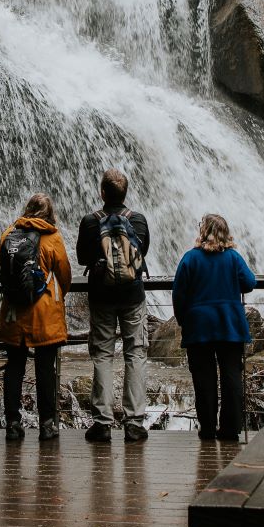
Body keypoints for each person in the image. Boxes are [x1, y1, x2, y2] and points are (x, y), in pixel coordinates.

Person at [76, 169, 152, 443]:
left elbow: (83, 256)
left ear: (102, 193)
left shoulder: (89, 221)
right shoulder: (139, 220)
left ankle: (103, 422)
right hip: (132, 296)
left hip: (101, 296)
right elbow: (142, 253)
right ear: (125, 193)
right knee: (135, 354)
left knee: (103, 355)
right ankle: (134, 422)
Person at [172, 214, 258, 442]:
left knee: (204, 380)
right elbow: (249, 283)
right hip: (229, 324)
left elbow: (178, 294)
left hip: (199, 326)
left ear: (204, 232)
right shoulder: (232, 257)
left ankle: (208, 429)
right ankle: (230, 429)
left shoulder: (190, 258)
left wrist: (183, 320)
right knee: (231, 377)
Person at [0, 193, 72, 442]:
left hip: (14, 312)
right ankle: (47, 425)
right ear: (50, 214)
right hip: (43, 314)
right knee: (45, 370)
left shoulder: (9, 234)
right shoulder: (53, 237)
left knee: (14, 367)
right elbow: (65, 274)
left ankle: (13, 424)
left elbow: (2, 269)